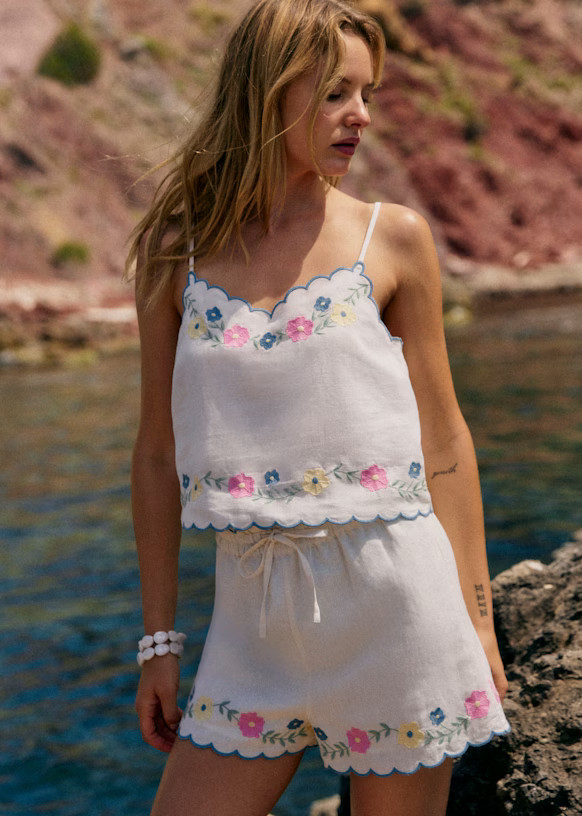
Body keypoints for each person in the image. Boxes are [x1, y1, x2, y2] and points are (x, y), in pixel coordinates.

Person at [126, 1, 510, 814]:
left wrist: (479, 624)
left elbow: (444, 440)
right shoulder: (174, 252)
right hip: (252, 628)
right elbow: (157, 452)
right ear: (269, 91)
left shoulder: (392, 238)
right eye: (337, 93)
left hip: (398, 614)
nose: (360, 115)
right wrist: (159, 642)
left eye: (367, 94)